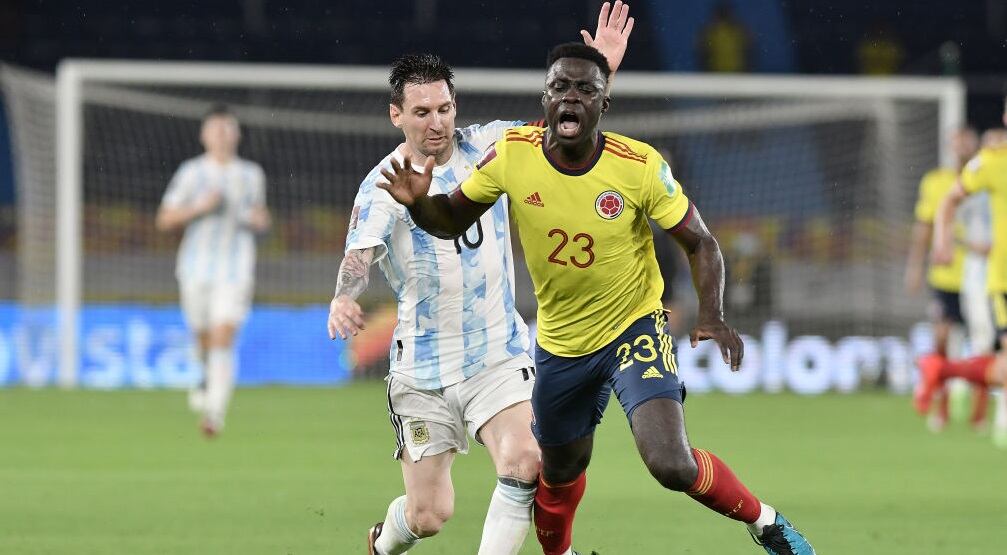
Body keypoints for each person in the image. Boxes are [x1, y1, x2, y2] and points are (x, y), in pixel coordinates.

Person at [377, 42, 815, 555]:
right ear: (545, 98)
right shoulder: (513, 154)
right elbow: (450, 219)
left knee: (669, 462)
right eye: (560, 87)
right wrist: (420, 204)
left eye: (586, 89)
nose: (571, 97)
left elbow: (700, 241)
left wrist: (712, 314)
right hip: (561, 345)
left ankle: (768, 524)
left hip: (635, 329)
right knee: (557, 474)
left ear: (603, 104)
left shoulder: (638, 165)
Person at [326, 5, 634, 554]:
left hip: (496, 351)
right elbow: (360, 255)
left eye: (444, 108)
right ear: (396, 115)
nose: (436, 122)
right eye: (422, 111)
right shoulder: (384, 183)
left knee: (525, 462)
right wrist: (342, 299)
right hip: (422, 367)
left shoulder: (492, 147)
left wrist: (601, 69)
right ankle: (382, 543)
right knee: (429, 515)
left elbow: (561, 127)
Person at [155, 104, 271, 438]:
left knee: (223, 334)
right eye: (215, 130)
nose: (221, 136)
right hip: (194, 268)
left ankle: (214, 413)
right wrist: (199, 208)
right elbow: (165, 218)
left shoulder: (251, 174)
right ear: (204, 135)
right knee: (203, 336)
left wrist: (255, 220)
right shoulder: (191, 172)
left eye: (227, 129)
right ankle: (204, 373)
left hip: (236, 269)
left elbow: (262, 217)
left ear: (237, 135)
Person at [925, 104, 1007, 448]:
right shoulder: (991, 163)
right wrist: (944, 242)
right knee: (982, 341)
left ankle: (945, 371)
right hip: (999, 279)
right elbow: (947, 203)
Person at [905, 127, 988, 431]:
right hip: (945, 275)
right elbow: (924, 226)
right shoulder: (936, 182)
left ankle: (979, 415)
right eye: (957, 142)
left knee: (983, 346)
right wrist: (914, 266)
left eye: (967, 141)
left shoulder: (987, 177)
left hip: (983, 276)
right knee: (941, 338)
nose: (962, 147)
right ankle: (941, 407)